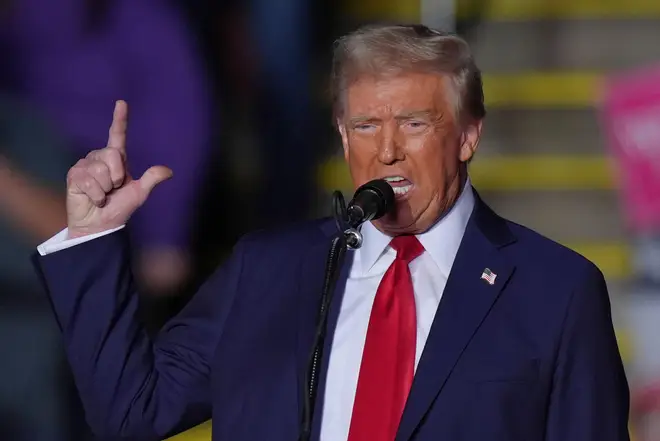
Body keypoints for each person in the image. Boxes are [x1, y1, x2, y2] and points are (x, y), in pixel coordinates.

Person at [33, 25, 630, 441]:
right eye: (366, 125)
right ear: (344, 137)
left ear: (469, 135)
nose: (387, 149)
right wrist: (94, 235)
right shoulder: (269, 269)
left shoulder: (555, 289)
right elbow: (131, 412)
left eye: (414, 123)